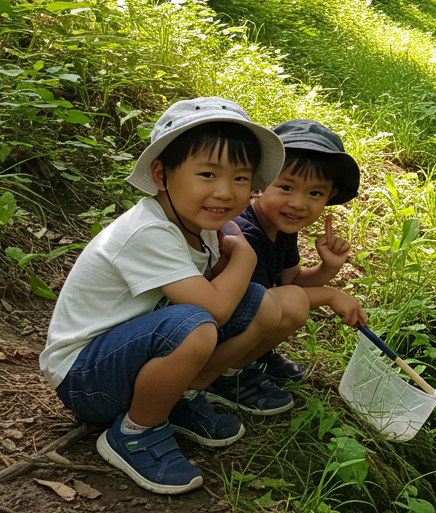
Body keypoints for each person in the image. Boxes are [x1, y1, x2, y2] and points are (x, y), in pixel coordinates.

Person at [39, 98, 301, 495]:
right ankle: (133, 432)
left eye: (241, 179)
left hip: (132, 356)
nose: (225, 192)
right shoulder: (148, 231)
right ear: (162, 174)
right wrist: (245, 254)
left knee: (261, 303)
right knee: (194, 325)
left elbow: (222, 294)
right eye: (208, 174)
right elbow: (212, 307)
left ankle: (181, 395)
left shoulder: (199, 221)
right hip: (85, 379)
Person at [227, 118, 369, 383]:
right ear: (261, 181)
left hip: (244, 314)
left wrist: (328, 267)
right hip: (214, 324)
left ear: (330, 196)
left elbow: (291, 281)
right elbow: (260, 304)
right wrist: (329, 295)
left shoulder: (281, 225)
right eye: (286, 187)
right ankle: (228, 372)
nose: (298, 203)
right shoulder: (244, 233)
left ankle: (250, 354)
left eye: (315, 193)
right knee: (290, 308)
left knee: (290, 301)